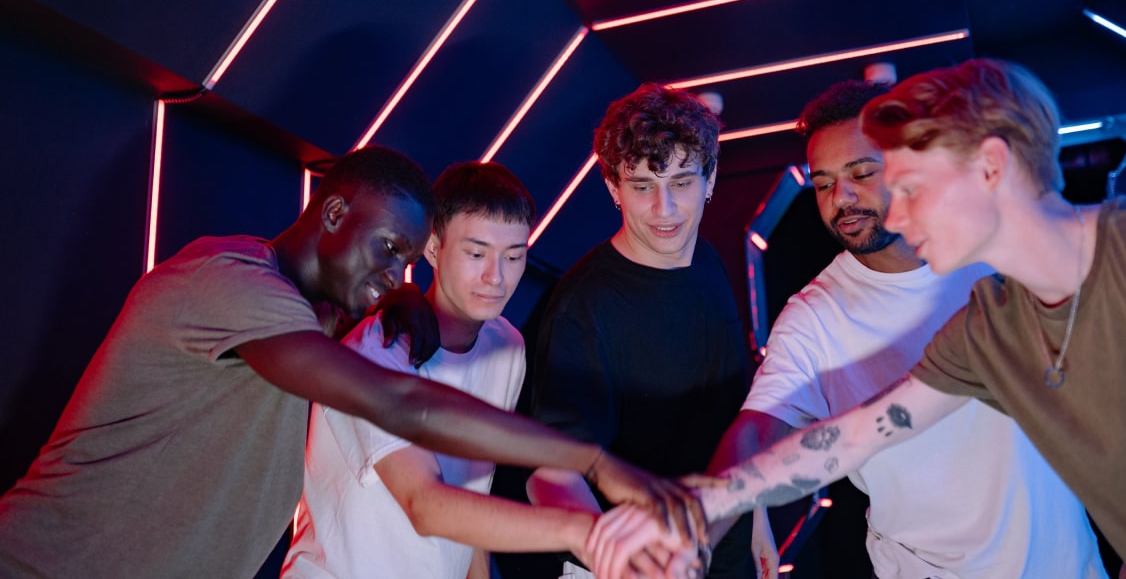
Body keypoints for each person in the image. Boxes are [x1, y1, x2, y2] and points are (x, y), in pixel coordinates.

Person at [0, 146, 699, 579]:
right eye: (389, 250)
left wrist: (394, 301)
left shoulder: (340, 321)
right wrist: (591, 464)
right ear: (334, 214)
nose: (396, 275)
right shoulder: (228, 280)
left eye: (406, 260)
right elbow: (402, 408)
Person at [653, 59, 1126, 579]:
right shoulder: (989, 327)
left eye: (911, 187)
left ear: (990, 168)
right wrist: (702, 511)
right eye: (824, 182)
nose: (901, 211)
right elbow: (854, 436)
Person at [707, 80, 1104, 577]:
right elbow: (784, 430)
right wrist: (718, 509)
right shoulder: (816, 316)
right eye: (823, 183)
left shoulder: (1006, 258)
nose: (841, 197)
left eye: (861, 173)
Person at [284, 161, 609, 577]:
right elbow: (425, 504)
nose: (496, 277)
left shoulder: (507, 346)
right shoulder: (375, 353)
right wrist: (588, 532)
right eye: (476, 253)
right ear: (434, 248)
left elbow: (474, 492)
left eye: (514, 256)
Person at [526, 83, 754, 578]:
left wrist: (755, 522)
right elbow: (550, 474)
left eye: (681, 182)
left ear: (710, 178)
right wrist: (628, 564)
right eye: (643, 186)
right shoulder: (584, 305)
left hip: (724, 551)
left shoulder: (707, 261)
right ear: (614, 188)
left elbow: (730, 417)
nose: (664, 209)